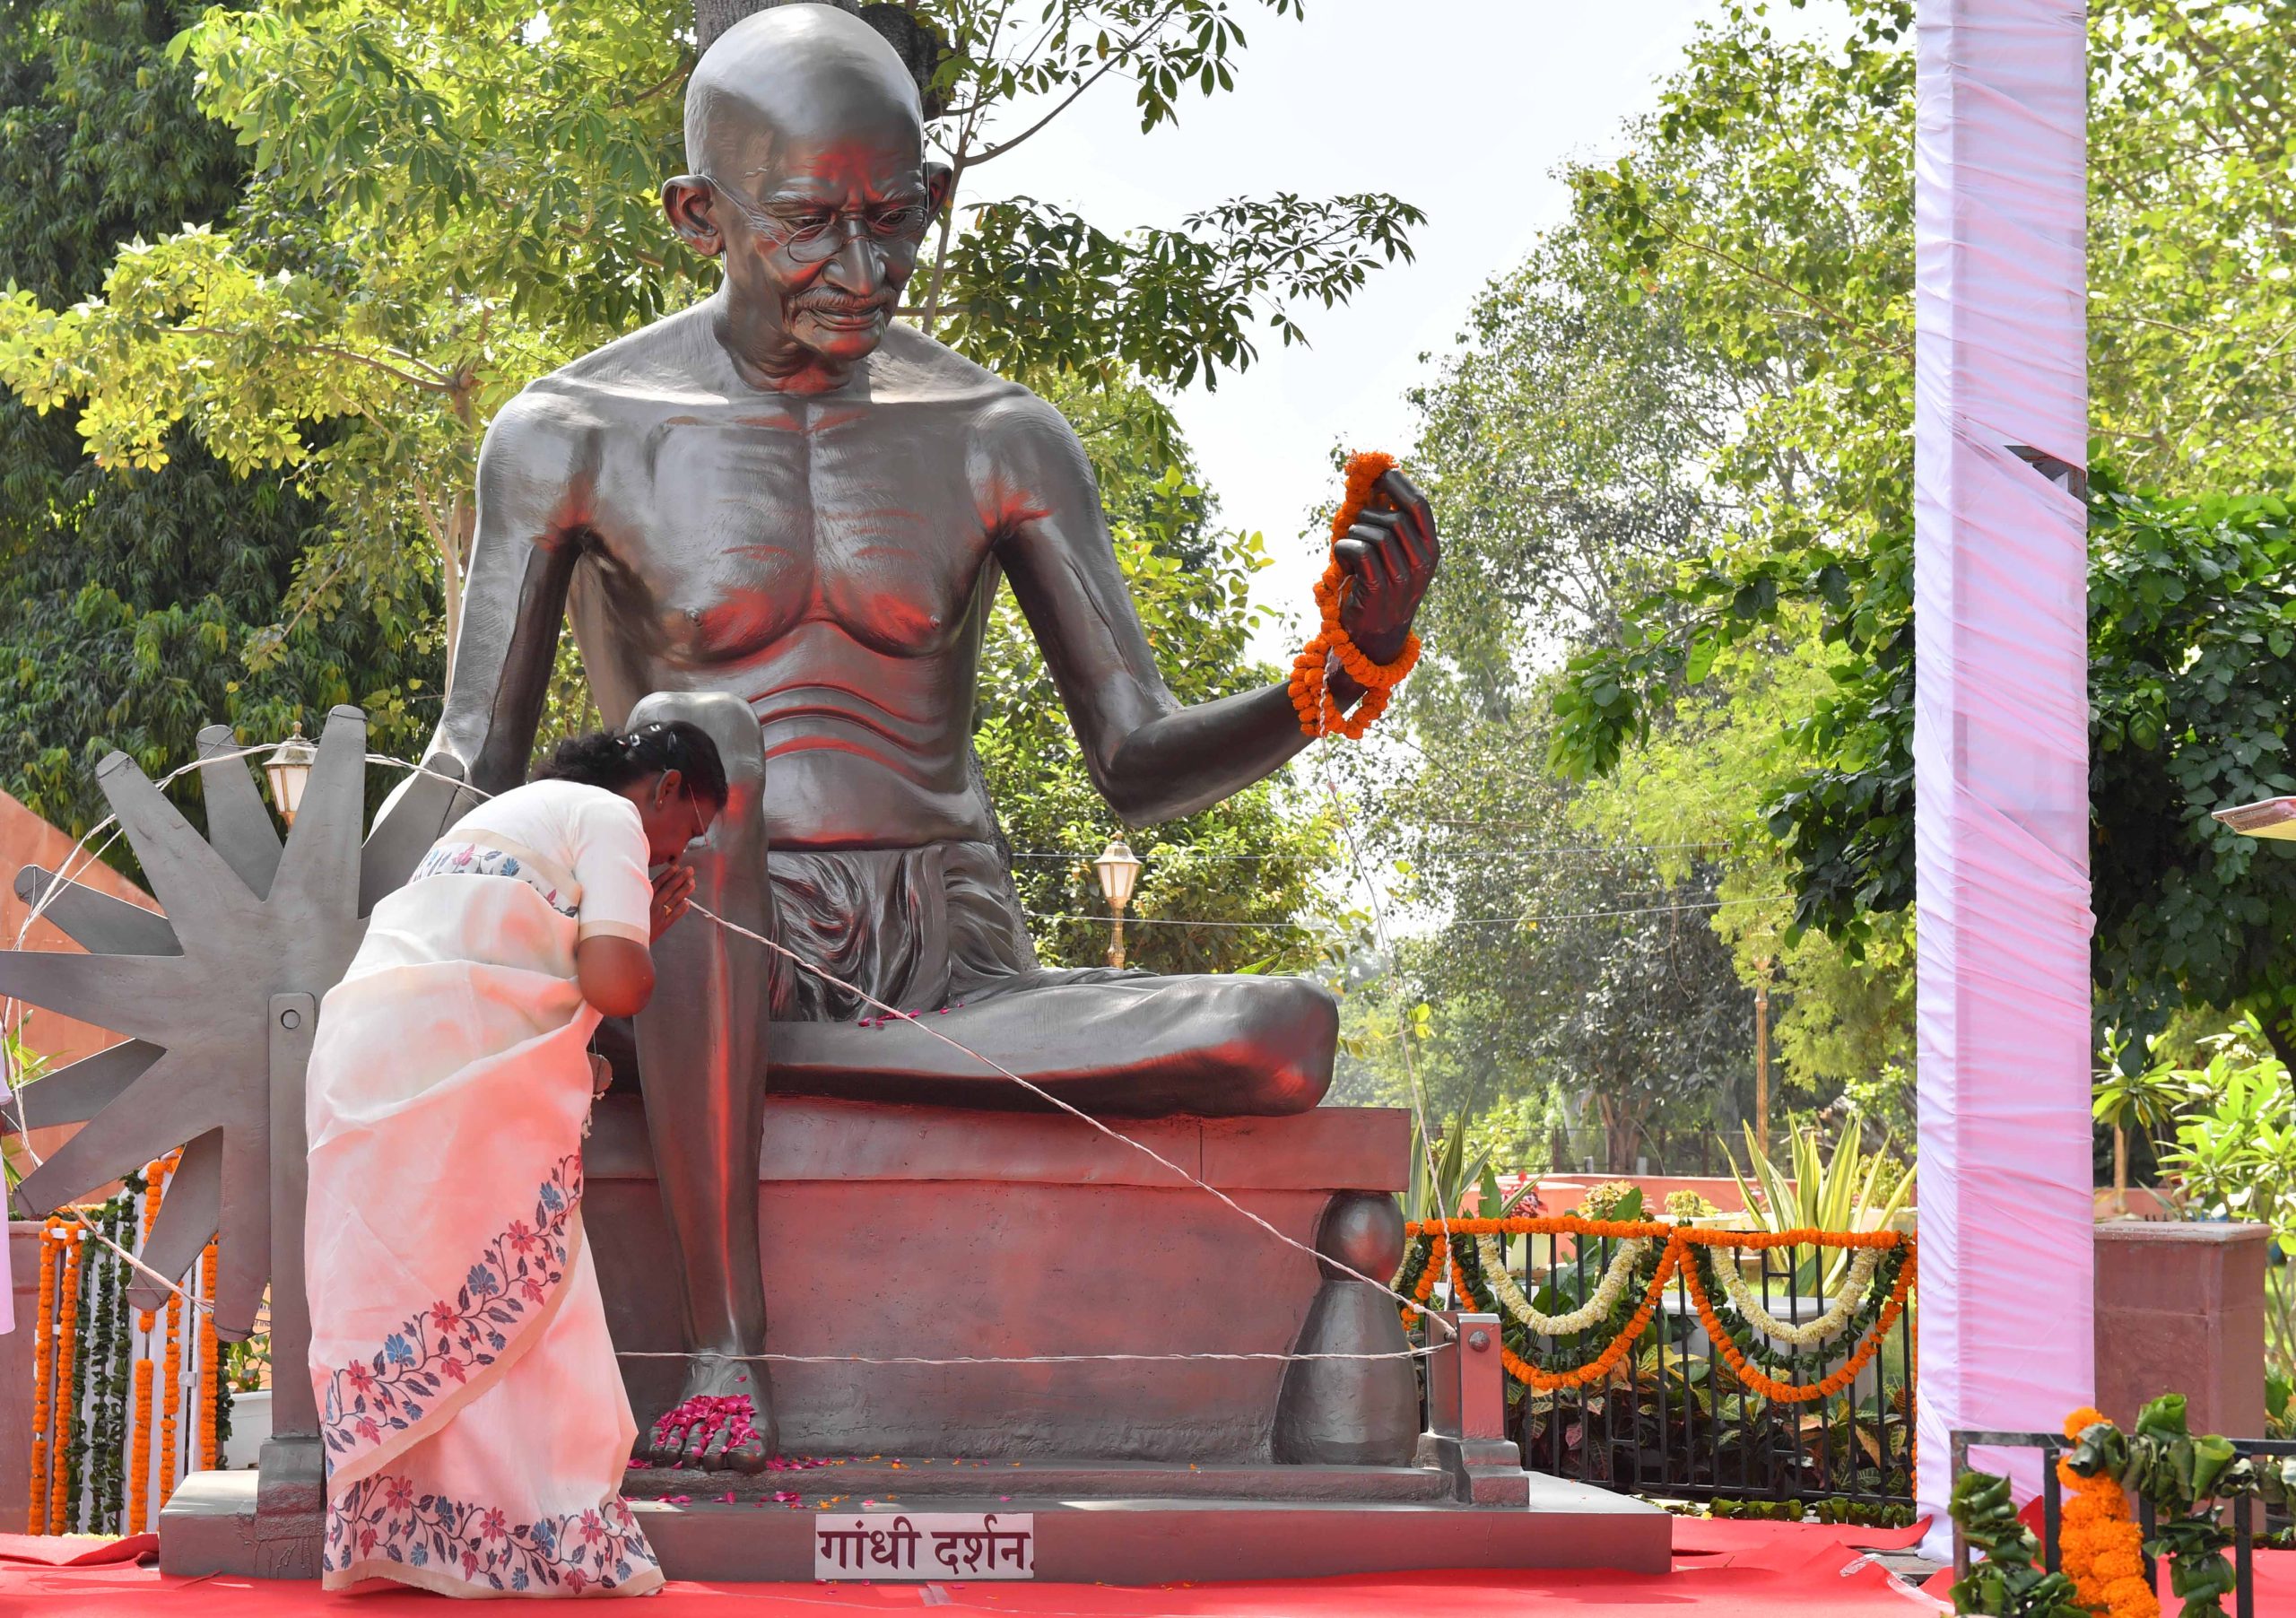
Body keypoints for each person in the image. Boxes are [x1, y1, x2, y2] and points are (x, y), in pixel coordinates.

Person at [378, 4, 1439, 1472]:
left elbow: (1132, 758)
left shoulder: (997, 432)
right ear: (702, 214)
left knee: (1284, 1035)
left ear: (934, 197)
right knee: (700, 740)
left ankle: (798, 1064)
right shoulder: (571, 433)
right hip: (692, 924)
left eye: (896, 220)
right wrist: (357, 939)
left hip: (944, 955)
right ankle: (721, 1348)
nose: (862, 271)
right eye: (813, 225)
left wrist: (1344, 668)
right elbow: (472, 758)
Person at [304, 721, 728, 1596]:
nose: (689, 844)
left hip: (368, 1061)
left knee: (435, 1289)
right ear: (665, 786)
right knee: (537, 1306)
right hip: (455, 1072)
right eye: (696, 821)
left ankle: (422, 1538)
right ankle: (538, 1541)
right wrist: (646, 935)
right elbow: (615, 986)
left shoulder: (508, 815)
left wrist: (628, 925)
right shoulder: (610, 818)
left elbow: (516, 957)